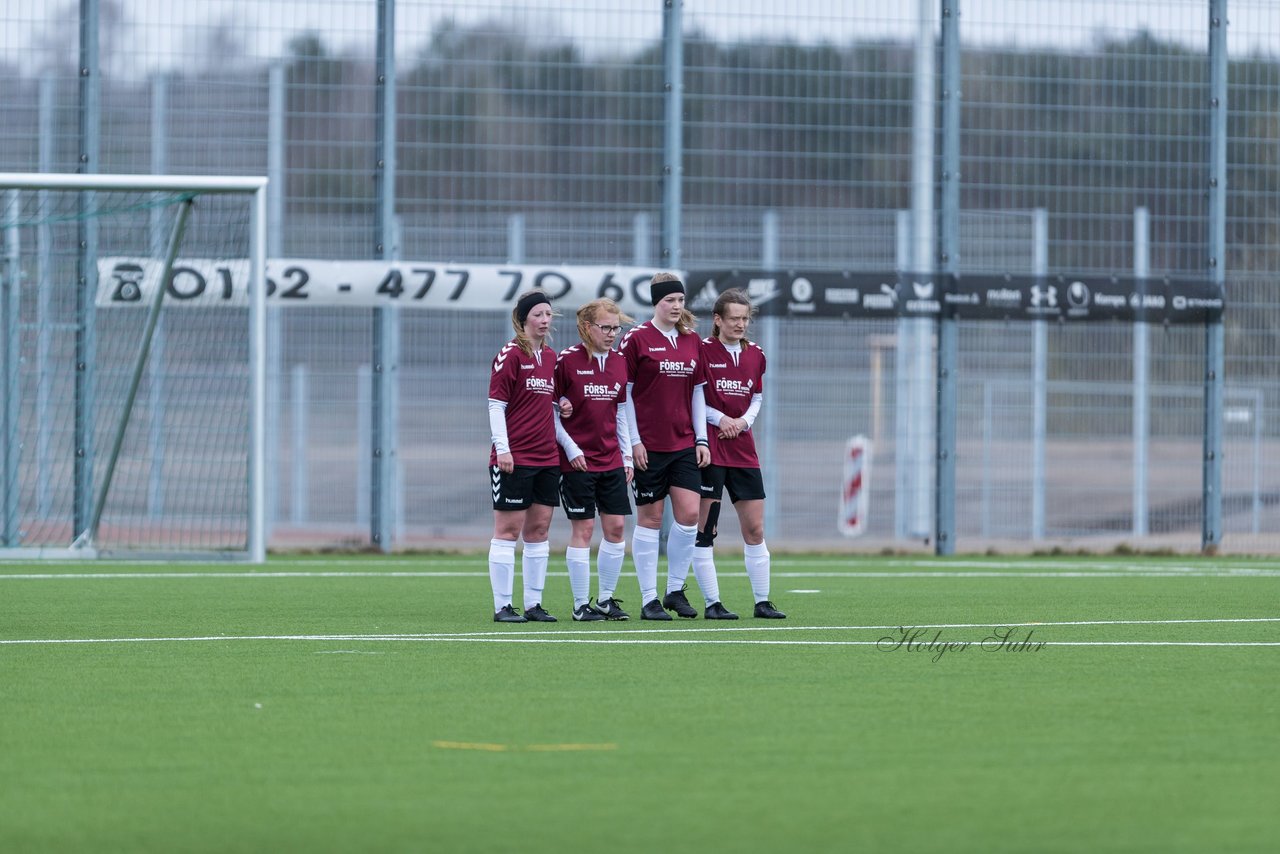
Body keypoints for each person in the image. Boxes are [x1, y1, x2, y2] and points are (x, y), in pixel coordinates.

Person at [620, 272, 737, 620]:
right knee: (651, 519)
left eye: (681, 300)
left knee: (688, 516)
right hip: (649, 446)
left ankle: (674, 590)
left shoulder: (691, 341)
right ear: (656, 302)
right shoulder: (636, 339)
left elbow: (699, 391)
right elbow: (624, 394)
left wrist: (701, 438)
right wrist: (634, 441)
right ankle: (648, 598)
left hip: (684, 442)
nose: (676, 306)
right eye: (669, 300)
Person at [695, 288, 785, 619]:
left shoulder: (755, 354)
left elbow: (757, 397)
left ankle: (762, 601)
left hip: (743, 450)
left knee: (755, 529)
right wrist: (721, 420)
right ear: (717, 319)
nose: (740, 324)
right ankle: (712, 603)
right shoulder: (701, 351)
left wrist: (743, 422)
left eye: (745, 318)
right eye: (734, 318)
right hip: (712, 450)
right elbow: (692, 398)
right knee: (707, 529)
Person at [487, 289, 571, 623]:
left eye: (548, 314)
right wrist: (503, 448)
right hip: (515, 457)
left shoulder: (551, 357)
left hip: (547, 457)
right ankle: (503, 606)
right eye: (537, 314)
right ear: (523, 320)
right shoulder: (510, 355)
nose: (544, 320)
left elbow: (548, 402)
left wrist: (562, 404)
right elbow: (497, 405)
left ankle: (534, 604)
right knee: (508, 530)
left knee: (539, 530)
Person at [554, 298, 635, 621]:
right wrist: (572, 449)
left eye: (616, 328)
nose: (612, 333)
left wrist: (626, 454)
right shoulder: (567, 361)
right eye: (606, 327)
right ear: (587, 328)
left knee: (616, 528)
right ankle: (579, 605)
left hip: (611, 459)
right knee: (584, 530)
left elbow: (621, 411)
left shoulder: (619, 362)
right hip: (577, 462)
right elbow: (551, 411)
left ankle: (605, 599)